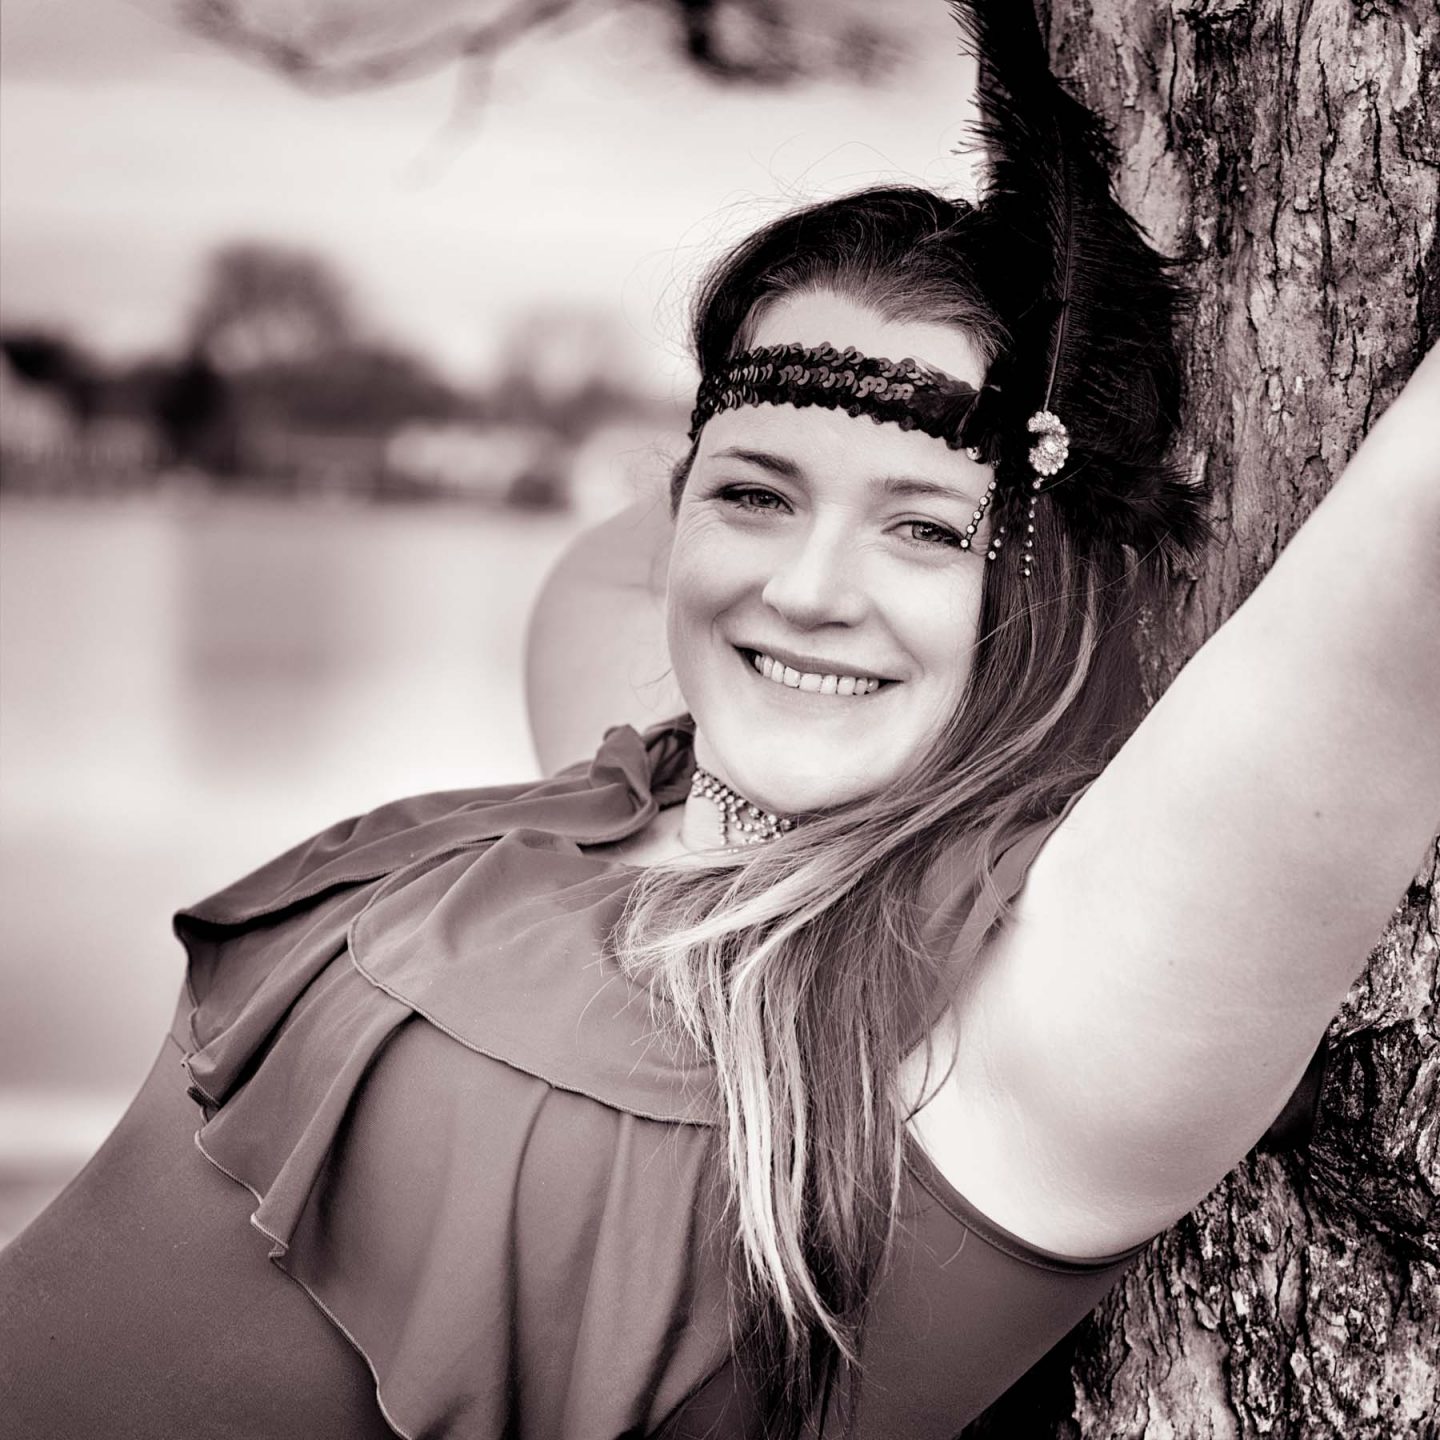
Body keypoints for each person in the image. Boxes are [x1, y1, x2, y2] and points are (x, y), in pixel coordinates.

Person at [3, 6, 1437, 1438]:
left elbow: (1398, 589)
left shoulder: (1039, 1039)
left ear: (1051, 580)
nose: (805, 593)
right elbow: (636, 552)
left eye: (928, 535)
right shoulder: (631, 763)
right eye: (754, 494)